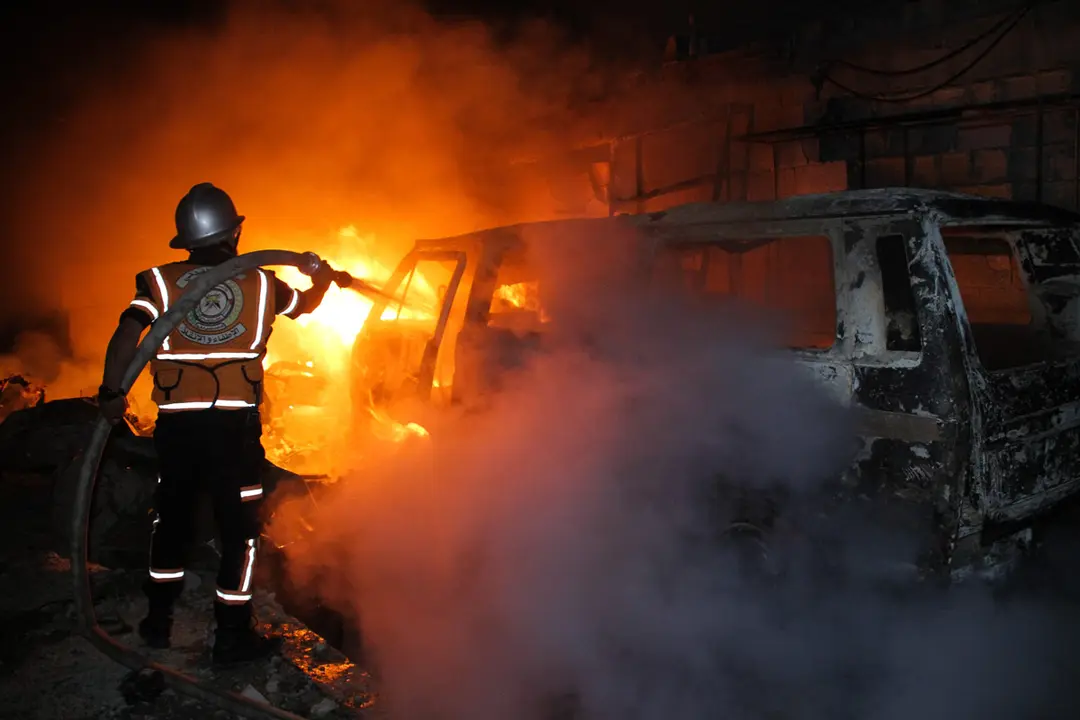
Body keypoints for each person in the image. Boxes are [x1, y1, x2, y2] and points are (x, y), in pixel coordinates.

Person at [97, 182, 335, 664]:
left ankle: (157, 624)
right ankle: (230, 635)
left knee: (171, 525)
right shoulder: (265, 283)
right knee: (240, 533)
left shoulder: (159, 283)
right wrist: (322, 279)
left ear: (184, 241)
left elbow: (128, 333)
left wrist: (111, 393)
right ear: (236, 232)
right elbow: (305, 307)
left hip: (178, 432)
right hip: (233, 433)